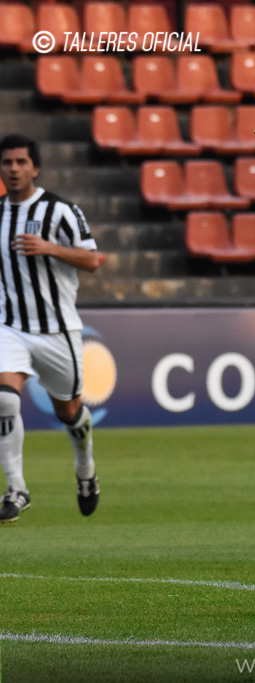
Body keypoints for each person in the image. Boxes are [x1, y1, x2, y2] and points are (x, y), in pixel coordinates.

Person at [0, 133, 104, 523]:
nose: (13, 169)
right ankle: (16, 489)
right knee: (5, 398)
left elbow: (93, 260)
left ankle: (85, 469)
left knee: (70, 412)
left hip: (58, 332)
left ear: (35, 167)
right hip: (9, 327)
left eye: (21, 162)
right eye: (7, 162)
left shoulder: (60, 211)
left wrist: (50, 248)